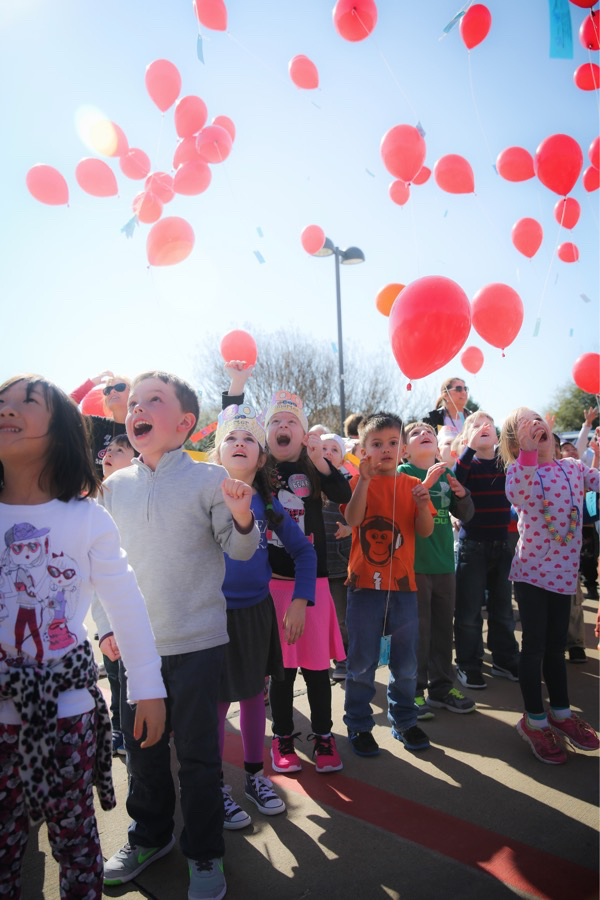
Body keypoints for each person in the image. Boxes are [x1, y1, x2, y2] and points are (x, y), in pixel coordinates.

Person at [96, 371, 260, 900]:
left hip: (196, 645)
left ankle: (206, 853)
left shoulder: (211, 479)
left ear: (186, 423)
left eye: (154, 401)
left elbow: (239, 551)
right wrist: (104, 633)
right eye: (134, 402)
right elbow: (99, 567)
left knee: (198, 757)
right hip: (133, 652)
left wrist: (241, 515)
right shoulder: (113, 488)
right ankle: (150, 836)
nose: (137, 408)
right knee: (142, 755)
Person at [0, 375, 166, 900]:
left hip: (67, 712)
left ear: (64, 433)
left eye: (27, 402)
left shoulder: (87, 519)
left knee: (74, 839)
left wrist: (147, 686)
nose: (8, 409)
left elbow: (127, 604)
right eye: (0, 401)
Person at [223, 363, 349, 775]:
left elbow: (343, 492)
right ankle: (283, 739)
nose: (282, 426)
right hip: (271, 587)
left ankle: (325, 736)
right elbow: (231, 429)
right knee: (280, 672)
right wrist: (237, 386)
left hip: (312, 586)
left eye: (291, 421)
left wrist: (321, 459)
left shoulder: (314, 467)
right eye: (274, 421)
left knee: (315, 670)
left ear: (303, 432)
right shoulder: (261, 474)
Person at [212, 403, 316, 829]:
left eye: (248, 439)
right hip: (212, 617)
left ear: (261, 457)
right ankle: (215, 786)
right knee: (217, 704)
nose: (239, 443)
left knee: (255, 698)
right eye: (230, 439)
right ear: (217, 454)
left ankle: (256, 776)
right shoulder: (202, 497)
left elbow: (305, 552)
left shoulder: (269, 506)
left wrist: (298, 601)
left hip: (256, 615)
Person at [500, 408, 599, 764]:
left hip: (564, 575)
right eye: (524, 424)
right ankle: (534, 720)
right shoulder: (519, 471)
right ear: (514, 441)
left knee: (556, 649)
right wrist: (527, 452)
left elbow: (596, 480)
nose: (534, 424)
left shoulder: (571, 468)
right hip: (531, 575)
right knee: (535, 648)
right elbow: (518, 496)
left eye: (537, 418)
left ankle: (560, 713)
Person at [341, 412, 435, 757]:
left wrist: (424, 506)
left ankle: (405, 720)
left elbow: (424, 531)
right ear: (363, 449)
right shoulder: (356, 482)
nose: (385, 450)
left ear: (403, 449)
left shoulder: (412, 486)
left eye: (393, 443)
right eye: (377, 444)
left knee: (406, 664)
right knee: (362, 662)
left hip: (404, 587)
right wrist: (363, 482)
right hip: (364, 586)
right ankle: (359, 724)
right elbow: (352, 519)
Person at [398, 422, 476, 718]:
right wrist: (427, 484)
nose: (424, 435)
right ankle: (412, 691)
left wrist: (462, 494)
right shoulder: (403, 474)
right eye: (415, 434)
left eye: (428, 431)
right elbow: (400, 510)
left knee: (443, 629)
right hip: (414, 566)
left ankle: (442, 688)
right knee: (417, 632)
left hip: (444, 564)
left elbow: (466, 515)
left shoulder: (447, 473)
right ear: (405, 450)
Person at [453, 411, 520, 690]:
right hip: (473, 547)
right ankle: (469, 664)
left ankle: (505, 659)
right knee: (468, 612)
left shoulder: (506, 463)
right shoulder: (466, 464)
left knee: (503, 607)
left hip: (504, 544)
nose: (483, 428)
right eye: (476, 426)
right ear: (465, 436)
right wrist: (468, 448)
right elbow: (457, 479)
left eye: (488, 426)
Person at [99, 434, 137, 756]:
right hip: (108, 616)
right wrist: (105, 626)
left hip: (140, 609)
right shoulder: (91, 505)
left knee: (136, 678)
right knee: (114, 675)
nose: (108, 455)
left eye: (119, 451)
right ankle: (119, 728)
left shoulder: (138, 499)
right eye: (107, 450)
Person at [320, 433, 353, 681]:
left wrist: (351, 528)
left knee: (341, 616)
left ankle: (344, 658)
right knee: (319, 616)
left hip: (340, 561)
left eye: (334, 449)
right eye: (323, 448)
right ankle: (322, 658)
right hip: (314, 562)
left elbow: (360, 515)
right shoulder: (306, 482)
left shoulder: (346, 483)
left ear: (342, 458)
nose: (328, 452)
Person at [70, 371, 130, 477]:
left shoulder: (144, 426)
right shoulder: (97, 425)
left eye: (119, 387)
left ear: (132, 393)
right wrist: (90, 384)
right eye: (108, 390)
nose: (112, 391)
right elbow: (63, 410)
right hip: (101, 492)